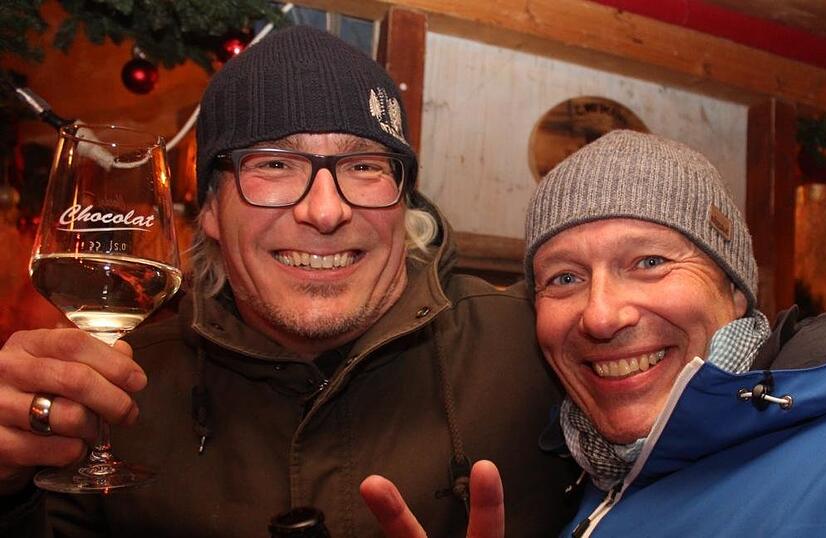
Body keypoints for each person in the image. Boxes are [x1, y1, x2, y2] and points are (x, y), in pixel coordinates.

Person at [0, 26, 577, 536]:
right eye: (274, 163)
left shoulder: (536, 351)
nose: (325, 212)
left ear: (403, 198)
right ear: (209, 210)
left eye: (365, 166)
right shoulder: (120, 390)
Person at [361, 130, 826, 537]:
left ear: (734, 291)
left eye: (648, 262)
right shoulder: (593, 473)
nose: (601, 315)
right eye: (564, 277)